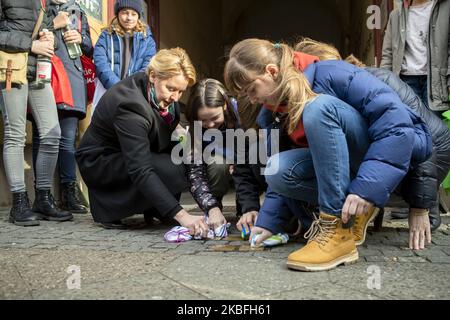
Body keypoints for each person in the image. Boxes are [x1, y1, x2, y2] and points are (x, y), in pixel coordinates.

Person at [224, 38, 433, 271]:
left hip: (379, 165)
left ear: (271, 71)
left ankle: (336, 232)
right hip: (348, 173)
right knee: (277, 170)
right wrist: (268, 222)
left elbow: (397, 127)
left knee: (317, 108)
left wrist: (370, 189)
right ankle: (347, 218)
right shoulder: (272, 114)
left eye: (252, 90)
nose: (253, 99)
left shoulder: (333, 73)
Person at [295, 37, 450, 233]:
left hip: (434, 153)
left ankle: (421, 202)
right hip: (408, 154)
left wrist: (420, 207)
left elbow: (417, 138)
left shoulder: (377, 80)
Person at [76, 47, 210, 237]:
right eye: (171, 89)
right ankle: (118, 210)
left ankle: (158, 208)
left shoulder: (152, 89)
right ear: (154, 76)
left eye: (181, 92)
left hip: (127, 153)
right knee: (170, 168)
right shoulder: (130, 106)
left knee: (183, 158)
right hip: (101, 162)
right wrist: (182, 215)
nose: (175, 98)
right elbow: (140, 169)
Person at [0, 0, 73, 226]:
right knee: (16, 133)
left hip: (39, 68)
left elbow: (46, 30)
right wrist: (31, 45)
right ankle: (19, 203)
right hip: (12, 66)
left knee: (52, 133)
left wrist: (51, 39)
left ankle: (43, 198)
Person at [31, 0, 93, 214]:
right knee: (43, 134)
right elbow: (28, 34)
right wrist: (53, 25)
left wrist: (81, 38)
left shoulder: (77, 10)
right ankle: (42, 193)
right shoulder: (39, 5)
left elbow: (89, 48)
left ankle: (69, 191)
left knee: (68, 139)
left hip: (72, 77)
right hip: (45, 73)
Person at [183, 78, 267, 232]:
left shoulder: (243, 114)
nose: (210, 125)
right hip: (219, 167)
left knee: (255, 158)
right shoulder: (194, 131)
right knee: (217, 164)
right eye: (203, 120)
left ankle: (246, 209)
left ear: (225, 106)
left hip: (245, 165)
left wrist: (249, 207)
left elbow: (249, 161)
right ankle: (216, 209)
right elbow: (195, 173)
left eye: (215, 118)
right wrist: (211, 207)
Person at [381, 0, 449, 115]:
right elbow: (388, 55)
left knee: (435, 129)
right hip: (406, 82)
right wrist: (383, 85)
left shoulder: (445, 7)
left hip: (436, 82)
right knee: (412, 128)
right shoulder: (395, 15)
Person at [93, 0, 156, 98]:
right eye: (124, 13)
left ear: (138, 16)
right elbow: (100, 63)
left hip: (135, 93)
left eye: (134, 14)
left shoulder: (147, 40)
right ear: (117, 14)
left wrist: (130, 88)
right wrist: (116, 87)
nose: (129, 18)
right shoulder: (106, 36)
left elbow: (148, 66)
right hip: (107, 91)